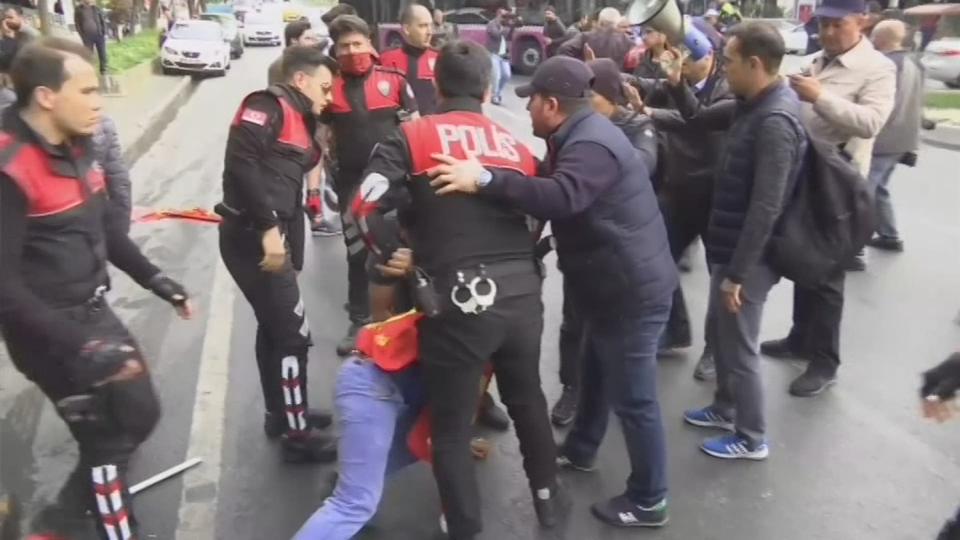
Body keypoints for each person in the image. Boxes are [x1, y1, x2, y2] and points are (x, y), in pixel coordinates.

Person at [428, 55, 677, 529]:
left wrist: (482, 178)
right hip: (609, 284)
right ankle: (582, 448)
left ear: (551, 104)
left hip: (631, 290)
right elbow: (540, 182)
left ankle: (650, 498)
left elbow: (561, 195)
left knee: (635, 398)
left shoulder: (592, 143)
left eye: (532, 104)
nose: (527, 112)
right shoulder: (575, 135)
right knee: (595, 368)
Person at [351, 40, 563, 539]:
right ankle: (549, 502)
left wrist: (393, 254)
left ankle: (464, 529)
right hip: (523, 296)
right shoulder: (517, 146)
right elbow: (536, 216)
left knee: (450, 427)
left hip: (458, 300)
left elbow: (363, 206)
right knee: (528, 398)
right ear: (489, 89)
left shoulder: (411, 136)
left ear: (437, 86)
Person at [0, 38, 192, 539]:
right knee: (108, 435)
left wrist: (156, 279)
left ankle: (60, 521)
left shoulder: (77, 145)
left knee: (141, 413)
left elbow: (105, 229)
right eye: (85, 90)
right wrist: (82, 346)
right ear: (46, 96)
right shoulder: (9, 166)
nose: (97, 100)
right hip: (47, 331)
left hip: (92, 312)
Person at [673, 22, 806, 460]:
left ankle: (751, 438)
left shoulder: (776, 119)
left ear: (755, 64)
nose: (723, 69)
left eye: (728, 61)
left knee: (741, 346)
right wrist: (676, 85)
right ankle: (724, 407)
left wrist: (738, 274)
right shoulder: (752, 102)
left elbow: (767, 206)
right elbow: (694, 118)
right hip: (729, 248)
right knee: (726, 336)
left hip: (749, 258)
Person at [762, 0, 895, 397]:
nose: (828, 32)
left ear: (863, 22)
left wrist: (819, 96)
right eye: (822, 24)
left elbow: (871, 122)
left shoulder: (878, 68)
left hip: (839, 182)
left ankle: (825, 360)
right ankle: (799, 338)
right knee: (801, 259)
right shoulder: (819, 59)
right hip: (803, 172)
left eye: (838, 25)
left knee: (827, 273)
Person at [215, 45, 339, 463]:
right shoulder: (267, 104)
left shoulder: (304, 120)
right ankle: (298, 435)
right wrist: (269, 229)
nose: (329, 96)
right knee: (293, 334)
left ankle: (283, 414)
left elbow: (302, 172)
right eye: (324, 87)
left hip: (278, 232)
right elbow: (241, 163)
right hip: (254, 235)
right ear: (300, 80)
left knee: (273, 328)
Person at [547, 58, 661, 427]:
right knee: (575, 328)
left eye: (590, 94)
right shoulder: (571, 131)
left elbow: (644, 164)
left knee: (633, 394)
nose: (581, 99)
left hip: (622, 255)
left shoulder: (630, 129)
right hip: (586, 254)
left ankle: (649, 485)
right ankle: (571, 391)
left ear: (609, 98)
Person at [628, 39, 733, 381]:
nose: (683, 67)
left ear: (710, 59)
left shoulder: (728, 87)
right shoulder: (678, 79)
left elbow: (697, 120)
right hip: (679, 188)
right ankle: (672, 332)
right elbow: (649, 85)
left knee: (722, 277)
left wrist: (652, 111)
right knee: (658, 260)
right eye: (680, 61)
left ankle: (716, 351)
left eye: (690, 60)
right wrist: (611, 75)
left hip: (716, 195)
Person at [324, 15, 418, 356]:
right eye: (344, 47)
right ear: (335, 51)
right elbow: (321, 136)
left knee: (402, 251)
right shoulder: (329, 86)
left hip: (397, 184)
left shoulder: (394, 81)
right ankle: (360, 321)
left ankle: (408, 317)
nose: (352, 52)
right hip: (351, 185)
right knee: (356, 255)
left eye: (357, 44)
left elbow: (415, 127)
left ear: (370, 44)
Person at [866, 19, 923, 253]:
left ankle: (852, 246)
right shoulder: (913, 63)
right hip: (903, 139)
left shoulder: (887, 65)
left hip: (884, 140)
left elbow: (885, 106)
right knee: (879, 188)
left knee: (863, 190)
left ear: (880, 39)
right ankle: (890, 235)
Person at [380, 3, 439, 115]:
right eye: (423, 26)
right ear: (407, 29)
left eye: (431, 26)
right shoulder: (387, 59)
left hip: (432, 126)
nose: (429, 32)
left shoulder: (440, 58)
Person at [558, 7, 634, 69]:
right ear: (617, 23)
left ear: (600, 22)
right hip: (614, 81)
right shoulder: (629, 43)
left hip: (589, 79)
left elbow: (564, 49)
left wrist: (580, 66)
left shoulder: (585, 37)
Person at [268, 20, 321, 85]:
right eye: (308, 38)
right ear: (294, 40)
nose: (314, 43)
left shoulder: (313, 62)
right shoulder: (280, 66)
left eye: (314, 39)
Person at [486, 7, 521, 105]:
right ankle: (494, 96)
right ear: (498, 15)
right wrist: (507, 27)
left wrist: (514, 22)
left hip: (504, 55)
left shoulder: (508, 24)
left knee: (506, 75)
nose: (505, 18)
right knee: (496, 76)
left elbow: (512, 36)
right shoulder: (491, 24)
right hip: (494, 53)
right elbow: (497, 35)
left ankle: (499, 92)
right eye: (503, 16)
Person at [74, 0, 109, 75]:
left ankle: (103, 69)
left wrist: (104, 32)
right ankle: (90, 70)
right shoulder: (78, 9)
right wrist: (82, 35)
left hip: (99, 34)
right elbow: (77, 23)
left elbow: (102, 20)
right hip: (87, 36)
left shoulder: (96, 8)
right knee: (88, 54)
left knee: (102, 52)